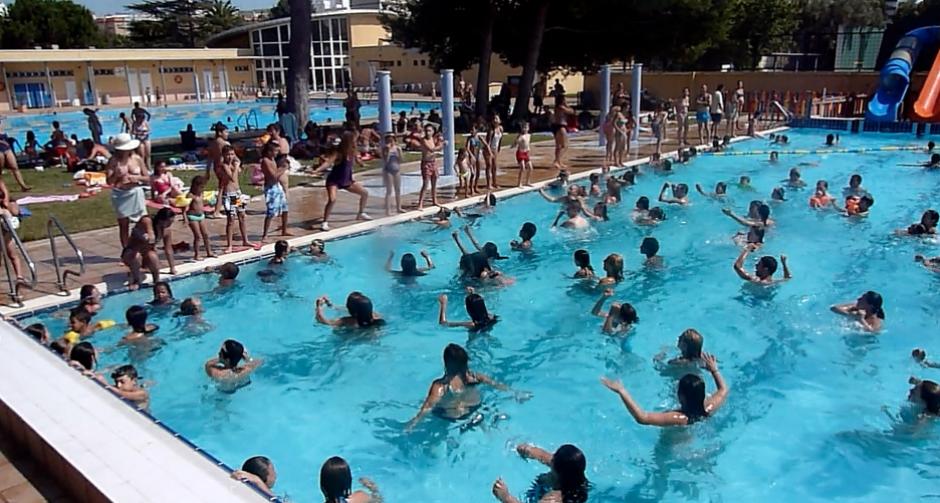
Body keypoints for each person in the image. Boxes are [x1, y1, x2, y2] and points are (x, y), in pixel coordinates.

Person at [601, 352, 728, 426]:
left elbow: (642, 418)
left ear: (681, 396)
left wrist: (622, 391)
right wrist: (714, 369)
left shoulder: (677, 418)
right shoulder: (708, 409)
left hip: (671, 452)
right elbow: (723, 390)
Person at [407, 343, 510, 429]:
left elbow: (427, 407)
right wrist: (516, 393)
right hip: (475, 409)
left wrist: (412, 424)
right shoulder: (475, 377)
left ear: (446, 363)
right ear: (465, 362)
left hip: (452, 418)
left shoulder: (440, 386)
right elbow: (498, 385)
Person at [492, 444, 589, 503]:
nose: (551, 457)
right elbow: (544, 456)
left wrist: (505, 497)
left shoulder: (553, 499)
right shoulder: (572, 471)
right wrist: (528, 450)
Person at [315, 131, 371, 231]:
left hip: (347, 181)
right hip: (334, 181)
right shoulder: (339, 153)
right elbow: (328, 163)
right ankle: (324, 222)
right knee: (332, 200)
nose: (355, 142)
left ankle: (361, 213)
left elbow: (358, 160)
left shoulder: (353, 151)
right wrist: (317, 170)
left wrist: (362, 164)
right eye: (353, 140)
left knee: (365, 193)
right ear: (348, 141)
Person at [106, 133, 150, 247]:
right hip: (121, 194)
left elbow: (148, 178)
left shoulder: (137, 158)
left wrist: (137, 178)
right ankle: (126, 250)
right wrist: (116, 174)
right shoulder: (113, 161)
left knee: (144, 219)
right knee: (123, 223)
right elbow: (109, 181)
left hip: (135, 191)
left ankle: (147, 245)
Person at [121, 208, 176, 290]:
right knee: (136, 256)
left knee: (152, 256)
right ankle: (136, 280)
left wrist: (172, 268)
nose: (171, 224)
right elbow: (150, 232)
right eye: (169, 222)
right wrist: (147, 236)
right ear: (161, 220)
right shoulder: (147, 220)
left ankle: (156, 281)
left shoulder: (166, 230)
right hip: (131, 253)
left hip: (146, 256)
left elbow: (168, 249)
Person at [411, 124, 445, 210]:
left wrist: (440, 142)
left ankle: (434, 200)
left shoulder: (433, 139)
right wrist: (442, 144)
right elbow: (431, 149)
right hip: (426, 164)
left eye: (429, 131)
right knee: (425, 184)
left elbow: (437, 148)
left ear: (433, 132)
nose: (427, 132)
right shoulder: (423, 140)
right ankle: (420, 204)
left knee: (434, 182)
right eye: (426, 131)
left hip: (433, 162)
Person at [183, 175, 216, 260]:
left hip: (201, 216)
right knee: (197, 236)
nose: (202, 188)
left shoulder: (201, 194)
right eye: (201, 187)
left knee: (206, 235)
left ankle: (209, 252)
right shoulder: (190, 195)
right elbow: (184, 209)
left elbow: (201, 204)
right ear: (195, 186)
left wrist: (209, 203)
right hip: (192, 217)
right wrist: (185, 219)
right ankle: (196, 255)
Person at [261, 153, 292, 243]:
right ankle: (265, 234)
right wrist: (283, 168)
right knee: (271, 212)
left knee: (285, 209)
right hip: (271, 189)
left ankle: (284, 230)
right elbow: (274, 177)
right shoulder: (267, 161)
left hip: (278, 187)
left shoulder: (273, 161)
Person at [316, 292, 384, 328]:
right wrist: (329, 304)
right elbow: (342, 309)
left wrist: (319, 307)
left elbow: (324, 322)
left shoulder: (346, 321)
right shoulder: (376, 315)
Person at [206, 123, 230, 217]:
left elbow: (209, 158)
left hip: (217, 168)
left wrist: (207, 171)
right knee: (231, 188)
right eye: (226, 132)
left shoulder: (213, 143)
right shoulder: (225, 144)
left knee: (223, 188)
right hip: (224, 168)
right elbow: (232, 157)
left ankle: (221, 208)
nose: (227, 134)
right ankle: (219, 210)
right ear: (220, 133)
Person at [551, 96, 575, 170]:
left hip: (556, 126)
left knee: (558, 146)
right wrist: (567, 105)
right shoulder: (561, 107)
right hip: (561, 126)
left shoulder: (557, 107)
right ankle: (556, 160)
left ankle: (559, 161)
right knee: (565, 145)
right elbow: (571, 111)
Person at [381, 133, 403, 215]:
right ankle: (388, 210)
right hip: (388, 171)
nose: (391, 141)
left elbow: (401, 160)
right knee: (389, 190)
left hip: (397, 170)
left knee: (398, 189)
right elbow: (385, 161)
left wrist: (399, 152)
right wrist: (388, 151)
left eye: (392, 139)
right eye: (389, 140)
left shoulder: (397, 148)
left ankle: (399, 207)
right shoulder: (385, 148)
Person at [483, 115, 503, 190]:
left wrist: (498, 148)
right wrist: (489, 152)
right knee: (489, 166)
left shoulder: (501, 129)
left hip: (495, 150)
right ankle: (489, 184)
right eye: (494, 119)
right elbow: (488, 143)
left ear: (499, 121)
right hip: (488, 150)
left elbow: (500, 140)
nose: (495, 120)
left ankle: (495, 183)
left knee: (494, 167)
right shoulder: (491, 131)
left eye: (496, 118)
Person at [513, 122, 533, 187]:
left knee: (530, 167)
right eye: (524, 128)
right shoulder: (521, 136)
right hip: (520, 153)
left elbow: (528, 144)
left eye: (526, 128)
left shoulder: (529, 135)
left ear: (528, 128)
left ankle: (527, 181)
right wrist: (514, 144)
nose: (525, 129)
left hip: (526, 153)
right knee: (523, 168)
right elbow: (516, 143)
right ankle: (519, 183)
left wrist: (528, 151)